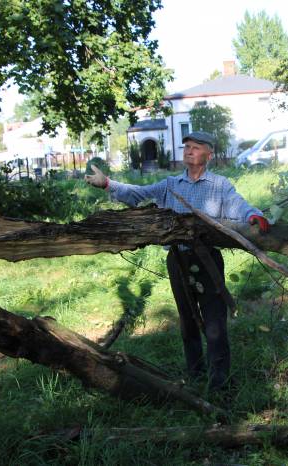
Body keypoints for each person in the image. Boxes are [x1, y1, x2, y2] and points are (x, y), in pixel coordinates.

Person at [85, 131, 269, 391]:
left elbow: (239, 206)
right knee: (188, 318)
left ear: (209, 154)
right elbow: (139, 194)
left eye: (195, 147)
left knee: (215, 322)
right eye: (187, 147)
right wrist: (107, 184)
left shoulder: (219, 185)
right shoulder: (171, 184)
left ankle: (220, 383)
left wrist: (254, 217)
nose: (189, 151)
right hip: (178, 260)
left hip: (207, 260)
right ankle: (195, 375)